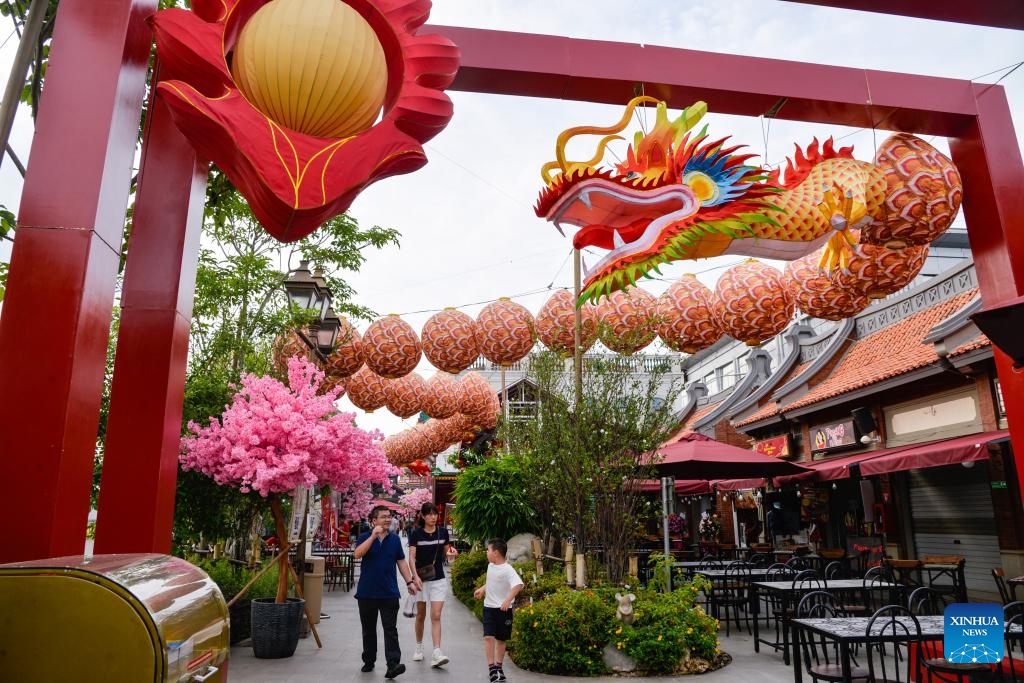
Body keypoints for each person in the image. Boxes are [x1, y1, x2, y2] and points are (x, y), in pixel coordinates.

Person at [354, 505, 419, 679]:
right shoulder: (364, 537)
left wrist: (409, 581)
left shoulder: (395, 540)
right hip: (366, 592)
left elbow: (401, 562)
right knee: (368, 629)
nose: (388, 519)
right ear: (374, 520)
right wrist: (373, 537)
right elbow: (357, 554)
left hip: (389, 592)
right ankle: (369, 660)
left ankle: (393, 664)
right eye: (383, 517)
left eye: (389, 516)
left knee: (390, 629)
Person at [473, 538, 524, 683]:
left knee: (501, 639)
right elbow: (491, 581)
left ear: (495, 553)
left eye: (488, 550)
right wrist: (482, 589)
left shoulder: (508, 569)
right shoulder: (491, 566)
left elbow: (518, 585)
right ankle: (492, 669)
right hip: (489, 607)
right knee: (488, 637)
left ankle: (499, 667)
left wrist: (507, 600)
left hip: (503, 610)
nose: (486, 553)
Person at [408, 502, 452, 668]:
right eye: (430, 514)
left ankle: (437, 652)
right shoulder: (416, 534)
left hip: (438, 579)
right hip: (421, 580)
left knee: (436, 615)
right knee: (420, 615)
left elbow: (447, 552)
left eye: (435, 514)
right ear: (424, 516)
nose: (433, 517)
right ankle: (419, 647)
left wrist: (451, 554)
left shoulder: (443, 532)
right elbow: (411, 557)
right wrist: (414, 576)